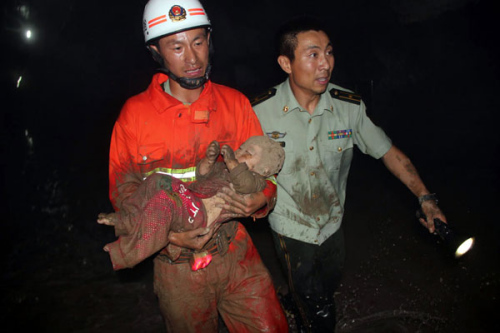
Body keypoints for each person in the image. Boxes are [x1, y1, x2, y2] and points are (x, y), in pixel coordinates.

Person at [252, 16, 447, 332]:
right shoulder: (258, 112)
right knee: (317, 306)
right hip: (290, 225)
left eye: (328, 52)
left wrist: (426, 198)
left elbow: (389, 152)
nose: (325, 64)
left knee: (328, 283)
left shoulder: (348, 106)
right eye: (313, 54)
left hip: (333, 221)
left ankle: (297, 301)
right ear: (286, 63)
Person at [106, 0, 288, 331]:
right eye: (177, 46)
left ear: (209, 41)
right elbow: (124, 192)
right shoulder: (135, 116)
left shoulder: (235, 104)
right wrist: (171, 238)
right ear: (156, 51)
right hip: (176, 265)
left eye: (199, 42)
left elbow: (268, 173)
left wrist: (263, 199)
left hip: (235, 250)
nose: (192, 58)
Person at [98, 136, 285, 271]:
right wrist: (209, 160)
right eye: (242, 147)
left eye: (248, 153)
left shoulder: (256, 181)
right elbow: (202, 175)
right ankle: (126, 220)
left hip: (199, 214)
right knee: (158, 180)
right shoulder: (224, 168)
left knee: (165, 202)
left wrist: (231, 160)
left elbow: (244, 185)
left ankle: (124, 254)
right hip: (189, 198)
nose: (239, 152)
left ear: (265, 169)